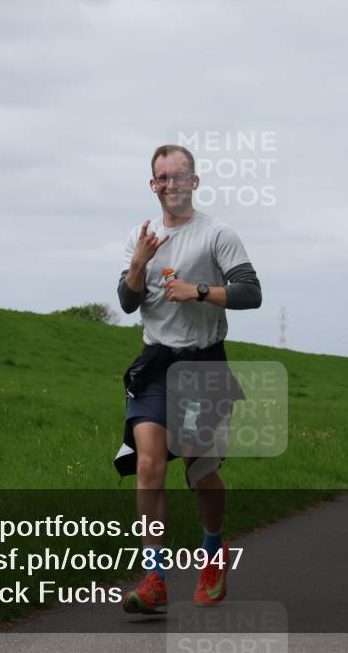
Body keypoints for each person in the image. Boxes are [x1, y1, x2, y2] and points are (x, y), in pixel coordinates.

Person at [114, 144, 262, 614]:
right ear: (152, 184)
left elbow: (251, 293)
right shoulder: (142, 237)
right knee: (149, 465)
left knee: (200, 471)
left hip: (203, 368)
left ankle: (213, 554)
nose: (170, 184)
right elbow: (126, 301)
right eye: (162, 177)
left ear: (194, 182)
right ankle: (154, 577)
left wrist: (198, 291)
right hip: (157, 366)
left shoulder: (217, 234)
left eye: (179, 176)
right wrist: (139, 263)